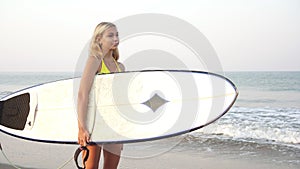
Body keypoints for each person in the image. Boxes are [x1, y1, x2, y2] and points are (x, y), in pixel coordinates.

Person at [77, 22, 125, 169]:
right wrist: (81, 127)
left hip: (115, 124)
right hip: (95, 122)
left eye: (116, 35)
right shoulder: (95, 61)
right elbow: (82, 94)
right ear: (99, 39)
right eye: (110, 35)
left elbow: (122, 101)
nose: (115, 38)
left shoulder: (120, 67)